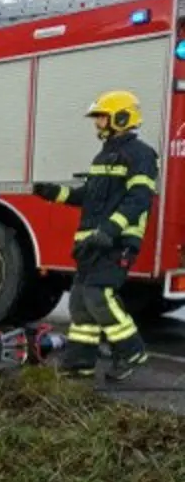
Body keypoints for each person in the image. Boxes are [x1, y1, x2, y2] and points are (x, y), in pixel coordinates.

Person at [32, 89, 158, 381]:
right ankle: (81, 361)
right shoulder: (105, 155)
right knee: (79, 301)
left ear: (121, 117)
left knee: (99, 296)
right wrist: (55, 194)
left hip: (116, 242)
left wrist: (109, 230)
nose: (97, 124)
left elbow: (139, 197)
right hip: (92, 242)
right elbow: (88, 195)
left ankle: (132, 353)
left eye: (101, 118)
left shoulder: (141, 154)